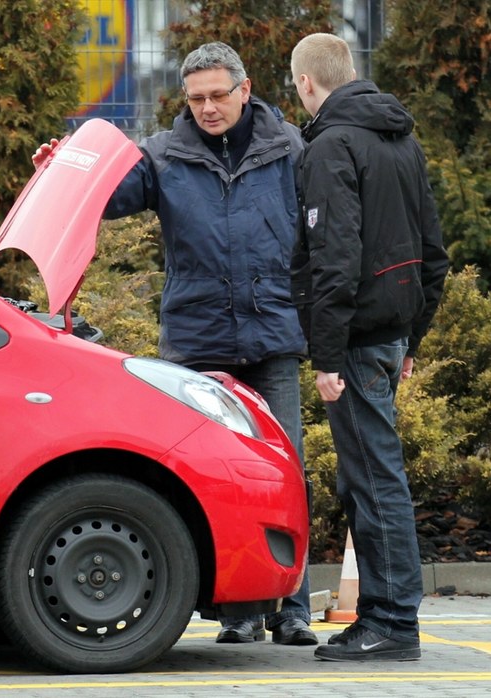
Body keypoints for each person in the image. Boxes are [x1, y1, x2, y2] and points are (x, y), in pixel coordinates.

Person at [34, 41, 317, 646]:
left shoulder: (291, 148)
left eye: (218, 96)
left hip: (273, 338)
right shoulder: (163, 155)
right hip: (198, 343)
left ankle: (292, 609)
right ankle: (240, 613)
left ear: (245, 90)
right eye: (196, 99)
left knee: (283, 469)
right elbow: (104, 199)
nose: (208, 108)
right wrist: (60, 171)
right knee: (221, 477)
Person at [289, 33, 449, 661]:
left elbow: (335, 259)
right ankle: (391, 617)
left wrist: (325, 357)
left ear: (306, 84)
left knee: (372, 479)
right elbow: (432, 254)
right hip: (387, 334)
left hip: (354, 342)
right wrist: (412, 337)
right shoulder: (400, 140)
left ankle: (388, 621)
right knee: (377, 474)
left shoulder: (330, 145)